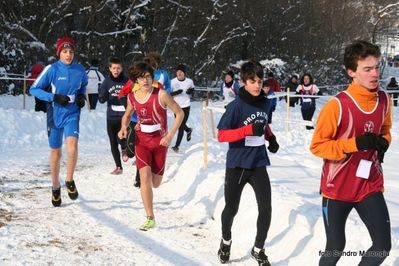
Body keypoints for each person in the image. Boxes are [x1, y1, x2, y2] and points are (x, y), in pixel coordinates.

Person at [310, 40, 392, 266]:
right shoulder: (337, 106)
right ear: (351, 72)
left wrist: (384, 141)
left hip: (369, 184)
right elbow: (317, 146)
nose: (374, 73)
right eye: (367, 69)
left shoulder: (385, 100)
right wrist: (353, 144)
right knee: (335, 248)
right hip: (337, 188)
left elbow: (385, 130)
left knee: (382, 247)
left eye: (376, 67)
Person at [216, 60, 279, 266]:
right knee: (231, 209)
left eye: (260, 81)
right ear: (243, 82)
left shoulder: (266, 103)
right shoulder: (235, 106)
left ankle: (258, 249)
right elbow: (222, 135)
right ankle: (226, 241)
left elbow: (264, 125)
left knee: (266, 208)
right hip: (237, 164)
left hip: (258, 162)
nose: (257, 85)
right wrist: (247, 131)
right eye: (252, 81)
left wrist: (271, 138)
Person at [118, 62, 183, 231]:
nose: (145, 80)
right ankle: (150, 216)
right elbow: (127, 115)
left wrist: (170, 136)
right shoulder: (132, 96)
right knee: (144, 177)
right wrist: (124, 127)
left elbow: (179, 113)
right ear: (136, 80)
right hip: (142, 141)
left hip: (160, 142)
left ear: (152, 77)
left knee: (155, 183)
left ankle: (150, 210)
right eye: (141, 77)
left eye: (147, 76)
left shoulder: (161, 94)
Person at [29, 37, 87, 207]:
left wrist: (82, 96)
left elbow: (83, 86)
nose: (68, 55)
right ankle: (55, 186)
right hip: (55, 114)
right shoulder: (52, 69)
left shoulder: (80, 70)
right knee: (56, 154)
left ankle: (69, 179)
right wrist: (53, 97)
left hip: (72, 113)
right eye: (65, 52)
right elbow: (34, 89)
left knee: (72, 148)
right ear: (59, 53)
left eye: (71, 52)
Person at [118, 56, 164, 188]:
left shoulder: (158, 86)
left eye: (151, 72)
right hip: (133, 121)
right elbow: (121, 94)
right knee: (131, 152)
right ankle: (129, 152)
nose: (146, 78)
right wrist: (127, 105)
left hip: (150, 124)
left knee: (143, 151)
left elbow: (163, 101)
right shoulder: (133, 84)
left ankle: (140, 178)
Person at [99, 58, 129, 175]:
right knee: (113, 142)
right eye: (114, 68)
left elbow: (133, 96)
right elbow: (101, 99)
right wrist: (104, 97)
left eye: (118, 68)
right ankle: (118, 167)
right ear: (110, 69)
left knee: (121, 139)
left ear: (122, 69)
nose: (116, 70)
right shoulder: (106, 82)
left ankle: (124, 148)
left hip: (124, 115)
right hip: (111, 115)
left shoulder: (127, 81)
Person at [170, 64, 194, 152]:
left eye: (181, 71)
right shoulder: (172, 82)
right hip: (176, 106)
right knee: (179, 124)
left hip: (186, 106)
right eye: (178, 71)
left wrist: (190, 91)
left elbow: (192, 89)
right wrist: (175, 93)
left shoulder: (189, 81)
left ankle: (176, 146)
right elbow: (168, 93)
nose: (179, 73)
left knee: (180, 125)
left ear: (184, 73)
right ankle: (188, 130)